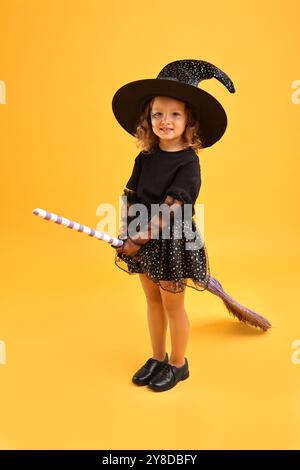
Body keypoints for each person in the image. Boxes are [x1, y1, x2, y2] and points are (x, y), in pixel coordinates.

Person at [111, 59, 271, 393]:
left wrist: (139, 238)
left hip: (171, 242)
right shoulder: (145, 158)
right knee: (151, 301)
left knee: (172, 305)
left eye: (174, 114)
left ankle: (178, 364)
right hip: (141, 236)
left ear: (190, 121)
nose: (165, 121)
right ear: (147, 118)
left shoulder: (188, 163)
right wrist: (126, 230)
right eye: (157, 114)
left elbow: (172, 209)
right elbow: (130, 194)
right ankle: (157, 357)